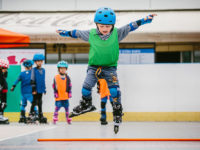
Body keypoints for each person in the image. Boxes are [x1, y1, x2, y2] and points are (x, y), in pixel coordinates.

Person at [57, 7, 156, 133]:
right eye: (102, 26)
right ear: (97, 24)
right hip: (93, 67)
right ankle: (87, 104)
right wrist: (64, 32)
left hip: (110, 68)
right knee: (85, 88)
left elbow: (131, 26)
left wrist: (145, 20)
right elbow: (77, 33)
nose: (105, 29)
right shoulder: (91, 34)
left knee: (114, 91)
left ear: (112, 25)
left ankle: (117, 110)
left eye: (108, 27)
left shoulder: (117, 33)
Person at [29, 53, 47, 123]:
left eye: (41, 61)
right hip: (35, 89)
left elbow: (43, 80)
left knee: (40, 102)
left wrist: (44, 89)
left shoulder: (43, 70)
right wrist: (33, 89)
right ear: (35, 62)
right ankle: (31, 114)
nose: (40, 62)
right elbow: (32, 79)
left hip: (41, 89)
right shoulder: (34, 70)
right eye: (38, 61)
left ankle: (40, 114)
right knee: (34, 102)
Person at [0, 58, 9, 124]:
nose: (5, 70)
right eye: (4, 68)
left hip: (3, 90)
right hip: (2, 90)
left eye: (6, 68)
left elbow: (4, 81)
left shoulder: (4, 73)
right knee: (3, 104)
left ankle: (1, 115)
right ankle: (0, 116)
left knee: (4, 104)